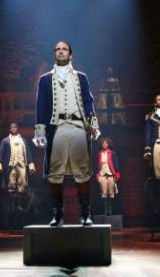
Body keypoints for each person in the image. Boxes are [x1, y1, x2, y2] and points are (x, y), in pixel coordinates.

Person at [34, 41, 100, 226]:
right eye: (57, 49)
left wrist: (93, 124)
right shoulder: (45, 79)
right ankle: (57, 214)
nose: (60, 51)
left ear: (70, 55)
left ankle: (85, 214)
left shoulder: (82, 77)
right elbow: (41, 106)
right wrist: (40, 131)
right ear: (54, 54)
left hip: (78, 126)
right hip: (58, 127)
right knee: (55, 173)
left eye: (64, 49)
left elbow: (88, 102)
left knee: (83, 171)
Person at [0, 122, 36, 222]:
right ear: (10, 129)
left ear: (18, 128)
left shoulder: (24, 141)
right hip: (10, 166)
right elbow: (1, 153)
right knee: (10, 185)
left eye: (15, 127)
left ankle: (20, 203)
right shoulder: (5, 141)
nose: (13, 129)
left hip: (21, 165)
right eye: (11, 127)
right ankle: (12, 202)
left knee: (22, 185)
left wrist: (31, 165)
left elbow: (28, 153)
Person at [93, 137, 120, 215]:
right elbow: (96, 165)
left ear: (108, 144)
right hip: (102, 175)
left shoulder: (112, 153)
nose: (104, 144)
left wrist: (117, 173)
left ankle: (110, 209)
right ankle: (105, 210)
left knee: (111, 192)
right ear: (101, 145)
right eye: (103, 143)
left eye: (106, 143)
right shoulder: (99, 154)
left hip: (111, 174)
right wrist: (97, 175)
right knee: (104, 192)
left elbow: (116, 163)